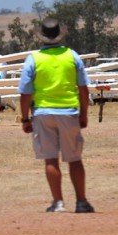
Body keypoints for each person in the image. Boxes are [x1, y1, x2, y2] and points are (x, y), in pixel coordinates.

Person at [18, 18, 94, 214]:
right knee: (75, 159)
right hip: (69, 110)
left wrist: (25, 117)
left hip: (43, 112)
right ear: (60, 34)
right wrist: (84, 113)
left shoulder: (33, 59)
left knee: (50, 159)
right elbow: (83, 88)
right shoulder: (72, 56)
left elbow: (25, 92)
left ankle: (58, 202)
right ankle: (81, 201)